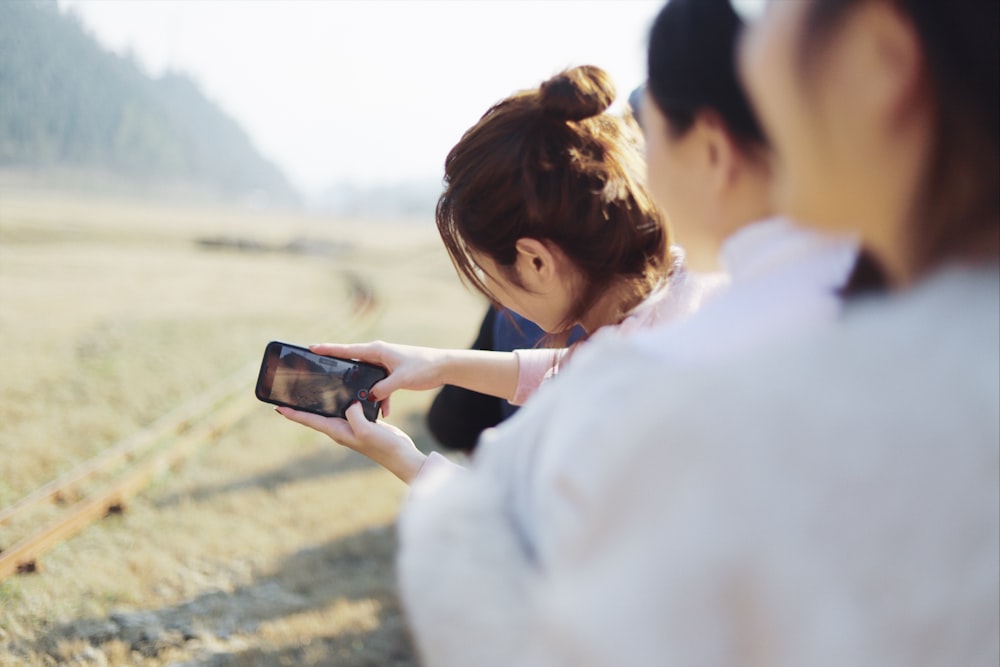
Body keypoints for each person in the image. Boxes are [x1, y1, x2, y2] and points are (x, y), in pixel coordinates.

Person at [389, 0, 998, 665]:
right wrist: (440, 364)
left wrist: (445, 513)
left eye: (777, 12)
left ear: (884, 58)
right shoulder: (897, 328)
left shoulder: (678, 392)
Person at [277, 0, 860, 483]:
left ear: (533, 259)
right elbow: (576, 369)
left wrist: (399, 456)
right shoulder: (686, 288)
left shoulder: (628, 394)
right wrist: (438, 364)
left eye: (491, 277)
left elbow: (514, 532)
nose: (501, 302)